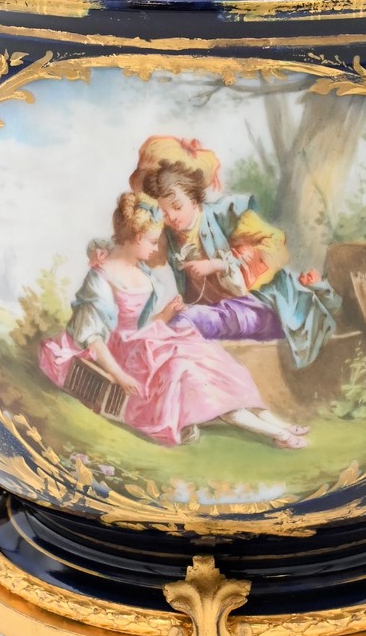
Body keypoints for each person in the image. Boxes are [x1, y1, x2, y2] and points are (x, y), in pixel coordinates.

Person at [39, 192, 309, 448]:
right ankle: (278, 434)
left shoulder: (142, 273)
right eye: (152, 241)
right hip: (120, 355)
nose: (156, 248)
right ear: (135, 238)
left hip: (142, 344)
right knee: (186, 370)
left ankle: (279, 424)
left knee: (212, 360)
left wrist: (166, 314)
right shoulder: (101, 276)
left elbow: (142, 326)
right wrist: (120, 376)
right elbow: (94, 338)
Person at [132, 137, 339, 369]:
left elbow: (275, 245)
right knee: (178, 321)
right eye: (164, 212)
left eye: (177, 207)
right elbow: (142, 254)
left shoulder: (228, 213)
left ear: (194, 198)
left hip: (261, 306)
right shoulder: (168, 235)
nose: (172, 217)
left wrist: (218, 265)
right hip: (218, 313)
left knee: (188, 321)